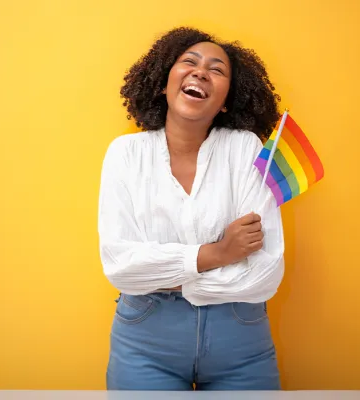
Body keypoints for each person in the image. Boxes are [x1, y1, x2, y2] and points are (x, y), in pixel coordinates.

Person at [98, 27, 285, 391]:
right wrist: (219, 253)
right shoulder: (125, 154)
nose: (201, 72)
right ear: (162, 83)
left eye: (217, 69)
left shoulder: (246, 149)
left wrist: (165, 276)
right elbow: (120, 267)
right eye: (189, 62)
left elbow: (266, 273)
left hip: (241, 345)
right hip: (145, 345)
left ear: (227, 100)